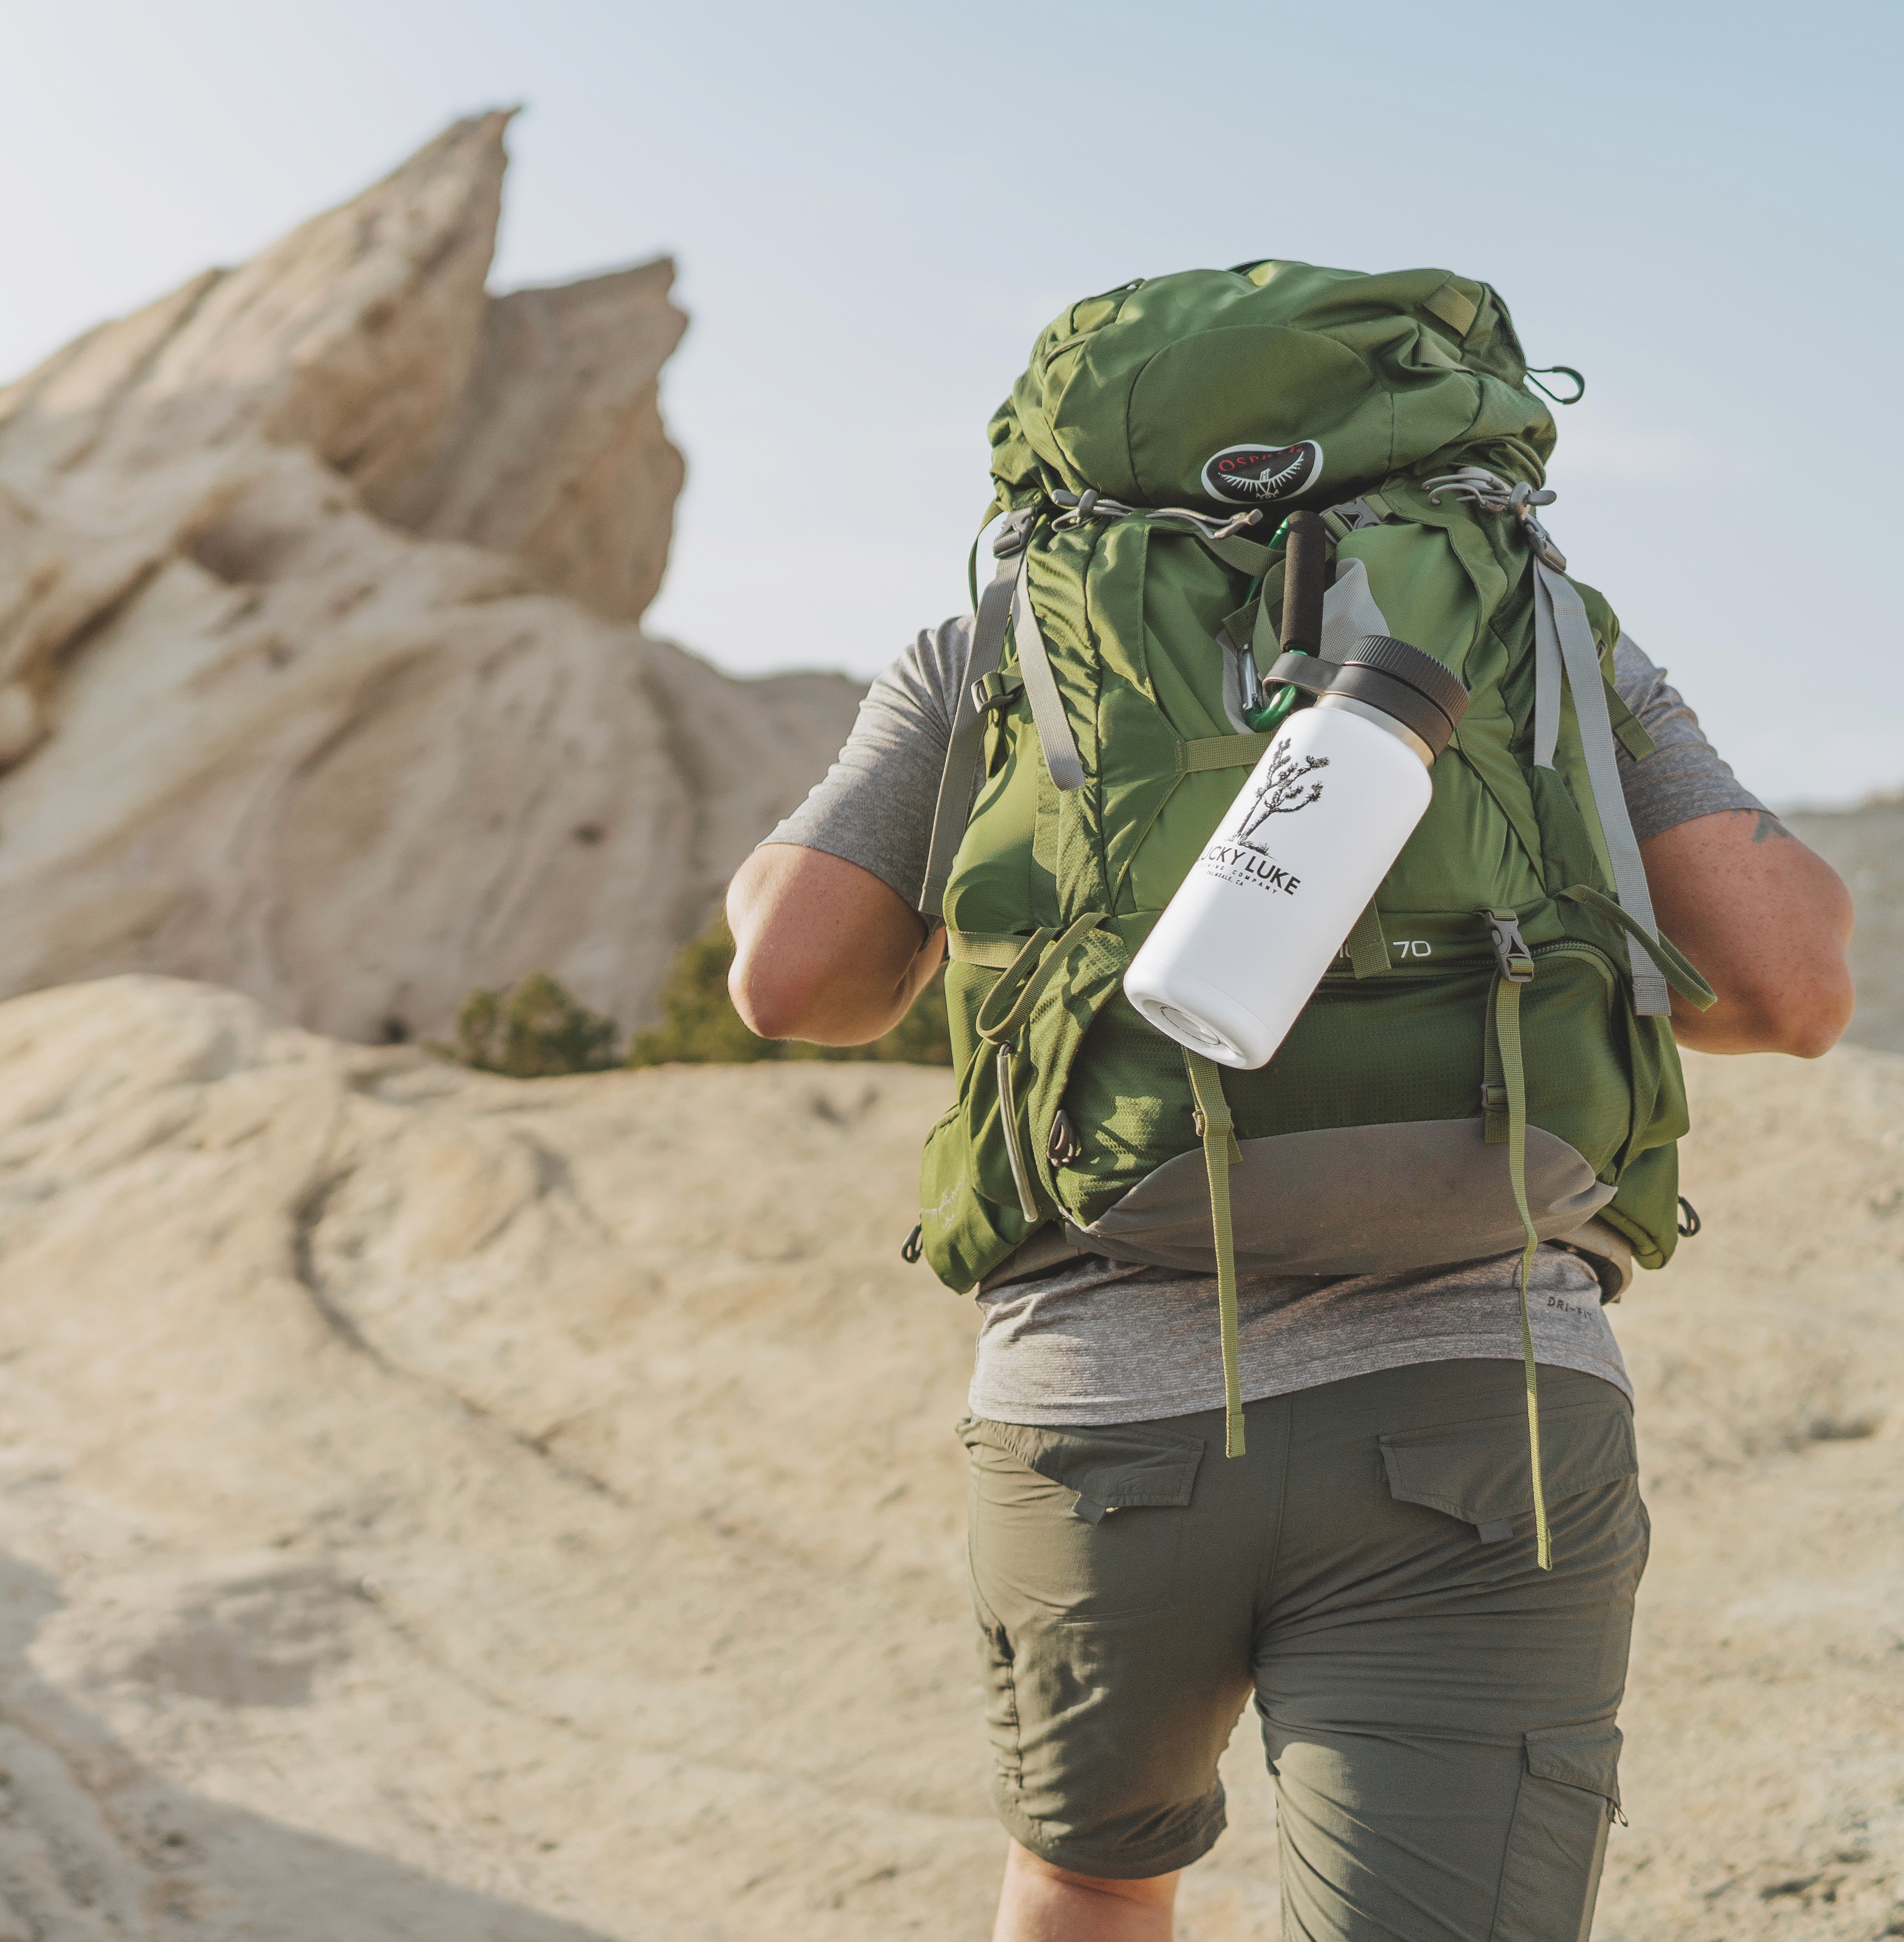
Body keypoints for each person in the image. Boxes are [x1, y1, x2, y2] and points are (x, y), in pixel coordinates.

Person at [728, 617, 1854, 1942]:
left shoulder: (1016, 624)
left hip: (1103, 1412)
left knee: (1092, 1880)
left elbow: (792, 985)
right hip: (1484, 1409)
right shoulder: (1532, 621)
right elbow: (1792, 992)